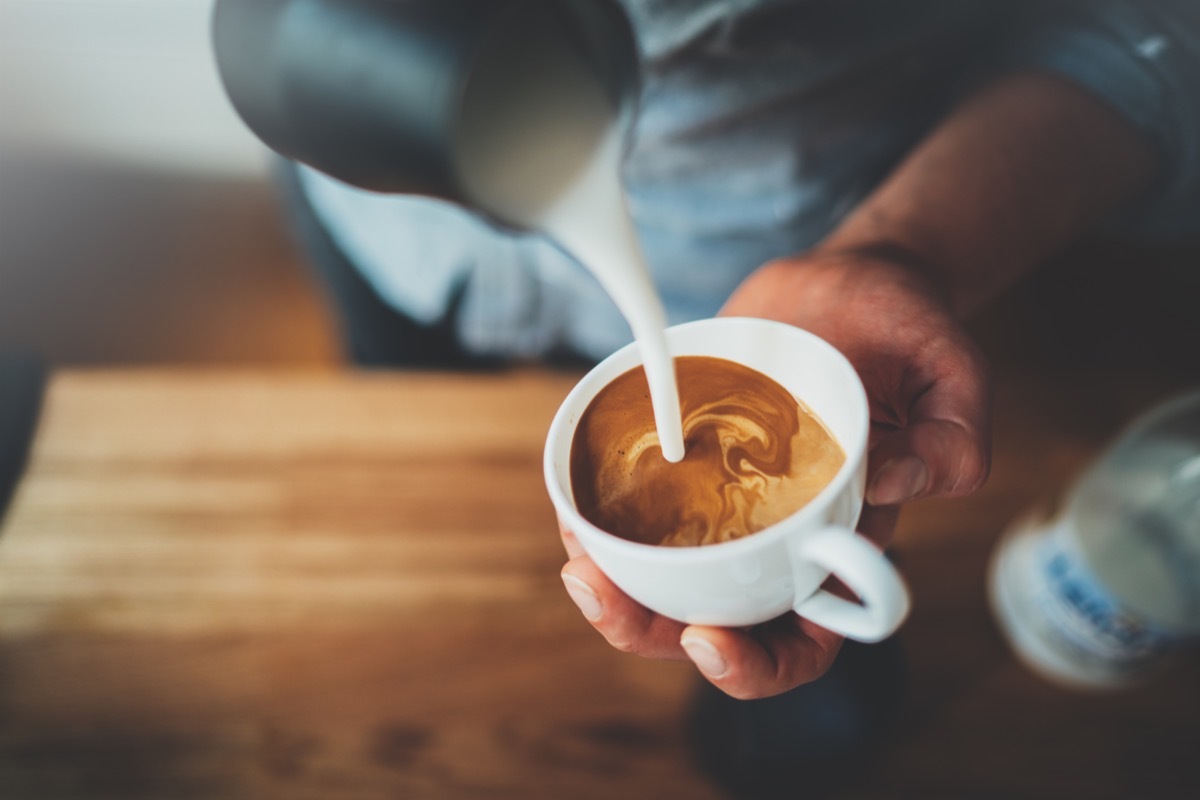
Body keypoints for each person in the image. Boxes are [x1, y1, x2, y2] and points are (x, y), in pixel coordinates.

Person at [277, 0, 1200, 793]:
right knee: (399, 473)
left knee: (795, 660)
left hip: (783, 284)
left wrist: (904, 246)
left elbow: (1157, 26)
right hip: (395, 225)